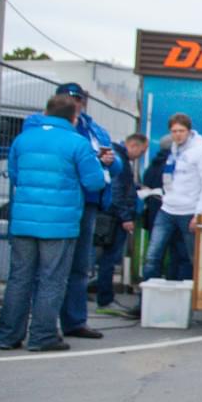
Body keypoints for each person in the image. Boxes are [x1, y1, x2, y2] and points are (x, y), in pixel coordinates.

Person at [0, 95, 108, 352]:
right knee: (52, 280)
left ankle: (8, 335)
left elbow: (14, 175)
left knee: (19, 279)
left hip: (23, 221)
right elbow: (94, 182)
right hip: (60, 223)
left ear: (45, 112)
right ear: (74, 117)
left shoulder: (22, 140)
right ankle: (42, 336)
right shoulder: (78, 143)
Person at [52, 82, 123, 341]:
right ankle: (43, 324)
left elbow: (115, 167)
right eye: (70, 98)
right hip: (60, 200)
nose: (75, 102)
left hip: (89, 201)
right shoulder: (42, 125)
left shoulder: (94, 129)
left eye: (79, 98)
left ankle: (74, 321)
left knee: (81, 265)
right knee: (51, 265)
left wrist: (110, 161)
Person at [141, 112, 202, 285]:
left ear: (189, 131)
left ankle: (191, 298)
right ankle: (147, 299)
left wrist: (200, 213)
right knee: (153, 254)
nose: (177, 135)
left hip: (189, 210)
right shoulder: (174, 150)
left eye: (181, 131)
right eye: (174, 131)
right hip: (168, 207)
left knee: (191, 257)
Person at [92, 132, 140, 315]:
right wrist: (126, 217)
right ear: (133, 145)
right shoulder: (120, 161)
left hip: (110, 214)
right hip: (115, 217)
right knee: (109, 259)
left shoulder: (117, 156)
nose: (139, 157)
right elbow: (118, 189)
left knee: (104, 259)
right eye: (140, 152)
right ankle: (105, 300)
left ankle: (103, 298)